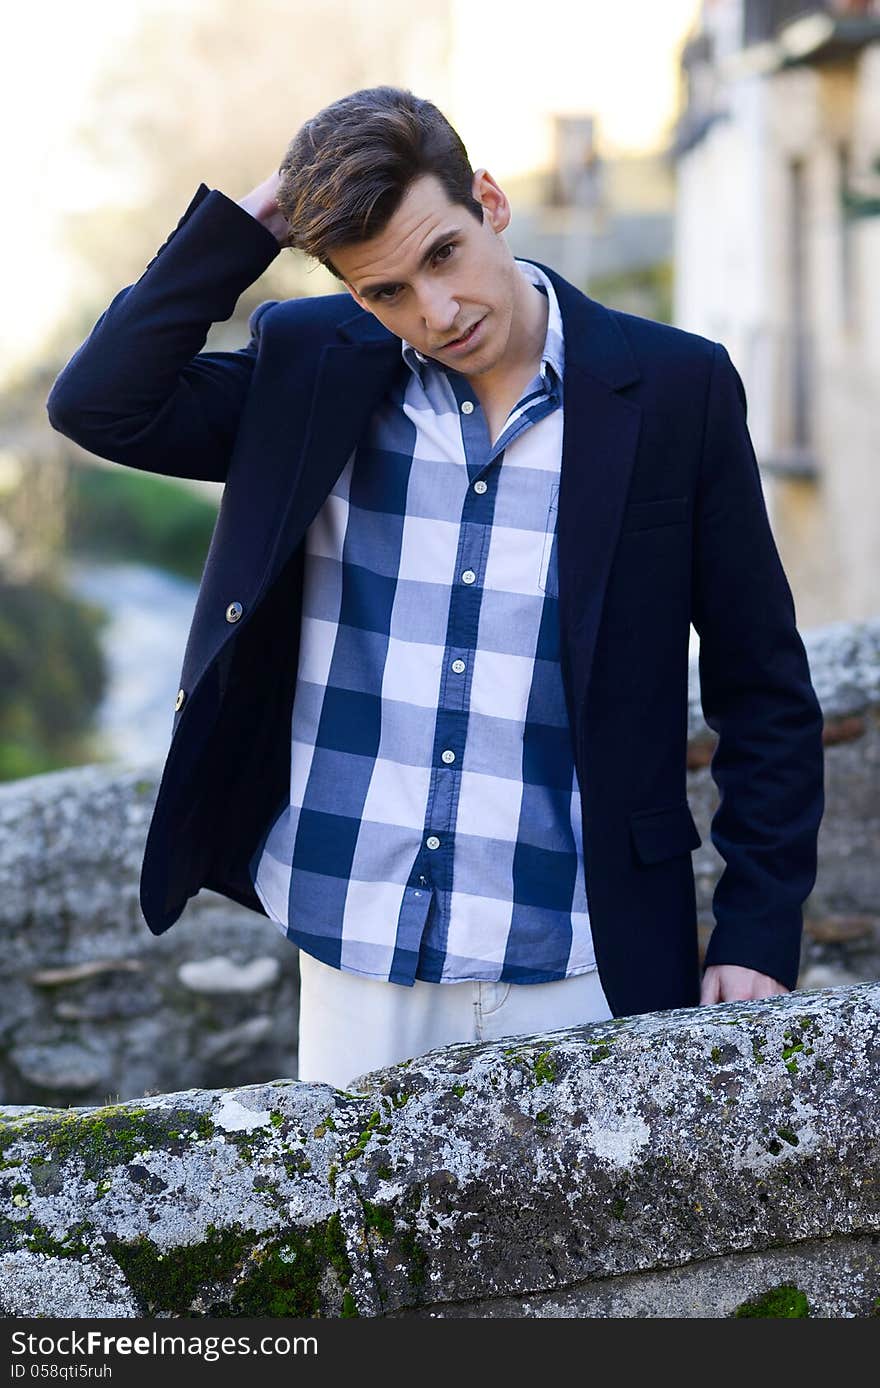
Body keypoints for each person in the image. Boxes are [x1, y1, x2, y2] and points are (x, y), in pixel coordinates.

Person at [46, 86, 825, 1089]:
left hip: (583, 948)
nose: (437, 312)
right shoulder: (308, 369)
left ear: (489, 201)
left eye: (443, 255)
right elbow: (99, 402)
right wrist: (257, 219)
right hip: (352, 937)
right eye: (386, 292)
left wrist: (757, 926)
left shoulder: (674, 388)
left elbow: (762, 682)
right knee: (362, 1251)